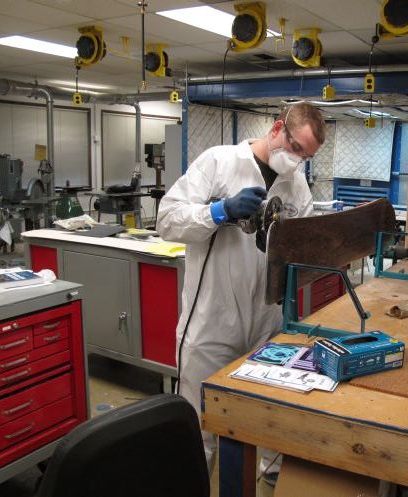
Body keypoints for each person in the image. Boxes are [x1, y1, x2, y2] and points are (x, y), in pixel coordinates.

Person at [156, 102, 326, 474]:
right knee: (199, 426)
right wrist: (218, 212)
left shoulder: (296, 183)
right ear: (277, 128)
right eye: (295, 147)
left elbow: (305, 245)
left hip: (265, 322)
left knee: (267, 416)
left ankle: (270, 476)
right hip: (211, 323)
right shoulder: (219, 162)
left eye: (306, 156)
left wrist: (285, 245)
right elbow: (166, 220)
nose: (297, 160)